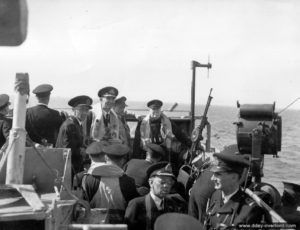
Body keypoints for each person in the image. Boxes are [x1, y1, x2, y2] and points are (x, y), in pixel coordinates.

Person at [205, 150, 265, 230]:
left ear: (234, 177)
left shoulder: (249, 210)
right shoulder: (215, 195)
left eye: (218, 174)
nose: (212, 178)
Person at [81, 143, 139, 224]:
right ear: (123, 160)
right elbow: (132, 208)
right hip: (119, 227)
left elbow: (84, 204)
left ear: (106, 157)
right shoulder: (128, 181)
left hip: (95, 226)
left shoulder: (88, 179)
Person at [133, 99, 192, 175]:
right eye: (153, 109)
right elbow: (137, 141)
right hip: (147, 153)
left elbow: (180, 135)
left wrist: (191, 144)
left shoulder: (168, 122)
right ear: (149, 110)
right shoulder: (142, 123)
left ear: (160, 110)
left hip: (163, 152)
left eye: (157, 109)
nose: (155, 111)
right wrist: (135, 158)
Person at [124, 162, 187, 230]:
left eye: (169, 183)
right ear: (151, 183)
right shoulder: (136, 204)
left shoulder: (172, 204)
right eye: (162, 182)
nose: (166, 186)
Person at [56, 95, 93, 176]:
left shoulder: (76, 124)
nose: (84, 113)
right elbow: (67, 150)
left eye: (86, 110)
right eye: (81, 109)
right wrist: (83, 151)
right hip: (69, 169)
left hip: (73, 167)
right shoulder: (71, 125)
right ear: (73, 109)